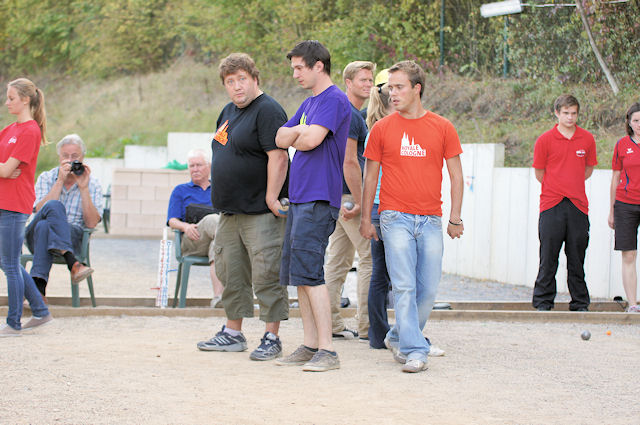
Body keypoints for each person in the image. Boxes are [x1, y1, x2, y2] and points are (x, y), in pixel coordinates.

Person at [360, 61, 464, 373]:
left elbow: (456, 176)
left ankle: (397, 335)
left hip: (431, 218)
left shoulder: (442, 127)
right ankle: (415, 349)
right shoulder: (381, 129)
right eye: (389, 88)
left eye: (399, 87)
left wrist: (455, 218)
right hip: (394, 218)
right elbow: (370, 177)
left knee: (428, 289)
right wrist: (366, 219)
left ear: (417, 88)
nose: (392, 93)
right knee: (403, 286)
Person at [196, 53, 290, 361]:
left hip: (260, 212)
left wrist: (272, 197)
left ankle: (272, 337)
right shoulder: (227, 112)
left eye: (242, 79)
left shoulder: (268, 110)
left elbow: (279, 157)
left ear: (254, 79)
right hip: (230, 211)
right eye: (230, 81)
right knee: (230, 273)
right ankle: (233, 333)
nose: (237, 86)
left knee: (267, 274)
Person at [275, 40, 351, 372]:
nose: (295, 74)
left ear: (318, 65)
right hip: (300, 197)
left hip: (319, 198)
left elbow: (310, 141)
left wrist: (299, 133)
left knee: (312, 274)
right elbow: (280, 137)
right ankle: (309, 345)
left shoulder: (333, 99)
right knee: (300, 275)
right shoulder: (309, 103)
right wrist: (299, 130)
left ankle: (328, 350)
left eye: (299, 68)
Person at [532, 95, 597, 312]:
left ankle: (579, 302)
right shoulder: (544, 140)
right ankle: (543, 302)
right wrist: (557, 186)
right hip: (551, 205)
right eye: (566, 113)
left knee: (577, 257)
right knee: (548, 256)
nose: (570, 117)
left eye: (574, 113)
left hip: (578, 205)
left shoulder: (587, 139)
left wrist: (571, 184)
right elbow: (539, 172)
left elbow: (588, 169)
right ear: (557, 113)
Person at [324, 61, 373, 342]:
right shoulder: (352, 115)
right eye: (363, 80)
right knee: (369, 258)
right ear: (348, 82)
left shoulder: (339, 111)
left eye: (370, 80)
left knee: (338, 261)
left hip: (336, 195)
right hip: (349, 197)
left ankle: (329, 322)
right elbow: (349, 161)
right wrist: (361, 202)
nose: (368, 85)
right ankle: (367, 325)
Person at [0, 78, 52, 336]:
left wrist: (4, 169)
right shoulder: (9, 130)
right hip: (3, 201)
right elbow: (4, 168)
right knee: (7, 261)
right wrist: (3, 169)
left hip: (14, 204)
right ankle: (40, 311)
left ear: (25, 99)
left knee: (10, 264)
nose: (6, 102)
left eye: (11, 98)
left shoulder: (30, 131)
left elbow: (6, 169)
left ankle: (14, 322)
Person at [25, 134, 102, 300]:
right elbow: (39, 211)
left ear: (83, 158)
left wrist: (83, 188)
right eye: (65, 156)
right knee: (53, 206)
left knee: (44, 227)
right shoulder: (47, 177)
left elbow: (91, 223)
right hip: (34, 238)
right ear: (59, 157)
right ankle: (72, 262)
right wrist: (59, 181)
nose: (70, 160)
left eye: (75, 156)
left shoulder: (92, 183)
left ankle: (38, 291)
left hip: (72, 237)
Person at [167, 148, 223, 307]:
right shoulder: (180, 190)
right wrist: (185, 227)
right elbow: (172, 220)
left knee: (218, 245)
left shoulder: (219, 190)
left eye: (199, 165)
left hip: (215, 239)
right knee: (214, 220)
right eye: (192, 166)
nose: (195, 169)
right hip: (192, 240)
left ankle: (218, 298)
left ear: (209, 167)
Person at [608, 102, 640, 313]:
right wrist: (611, 210)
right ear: (629, 122)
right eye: (636, 120)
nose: (639, 124)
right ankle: (633, 304)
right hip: (626, 205)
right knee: (628, 255)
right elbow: (615, 177)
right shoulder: (621, 145)